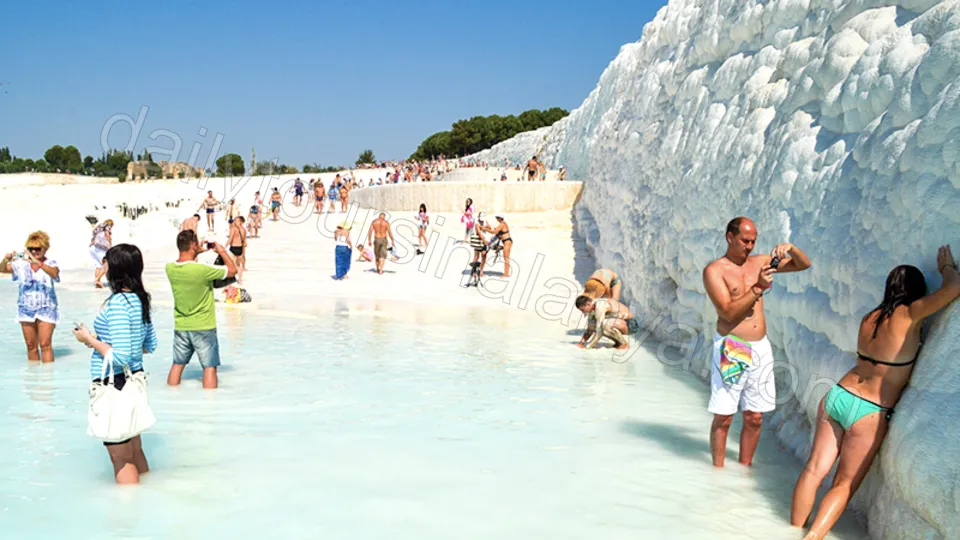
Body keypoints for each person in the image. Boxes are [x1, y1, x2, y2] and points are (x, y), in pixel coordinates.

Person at [790, 246, 959, 539]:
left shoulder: (870, 317)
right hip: (869, 410)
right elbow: (955, 287)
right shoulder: (911, 313)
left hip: (838, 395)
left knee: (814, 470)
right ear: (916, 291)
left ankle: (788, 531)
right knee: (843, 484)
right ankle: (811, 538)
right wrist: (946, 268)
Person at [702, 217, 812, 467]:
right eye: (744, 240)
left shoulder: (761, 262)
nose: (749, 246)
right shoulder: (714, 271)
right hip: (733, 347)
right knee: (725, 416)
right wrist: (758, 288)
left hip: (760, 347)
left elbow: (803, 265)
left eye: (753, 241)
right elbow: (727, 313)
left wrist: (791, 248)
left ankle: (744, 469)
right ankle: (717, 472)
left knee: (754, 417)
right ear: (730, 237)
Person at [72, 244, 156, 485]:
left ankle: (127, 516)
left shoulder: (118, 303)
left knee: (120, 457)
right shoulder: (139, 299)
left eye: (105, 262)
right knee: (134, 450)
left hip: (115, 384)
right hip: (133, 382)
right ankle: (146, 503)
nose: (103, 266)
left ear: (115, 268)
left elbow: (119, 356)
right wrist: (100, 342)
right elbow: (148, 344)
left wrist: (88, 339)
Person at [165, 230, 237, 390]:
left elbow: (187, 262)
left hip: (181, 325)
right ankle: (210, 405)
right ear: (192, 245)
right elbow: (232, 270)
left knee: (177, 364)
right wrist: (221, 250)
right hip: (204, 326)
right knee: (209, 367)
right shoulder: (203, 270)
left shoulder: (169, 268)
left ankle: (170, 394)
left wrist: (197, 250)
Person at [1, 231, 61, 363]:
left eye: (37, 249)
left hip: (47, 307)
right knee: (30, 346)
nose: (34, 252)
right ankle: (33, 380)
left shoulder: (51, 262)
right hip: (26, 308)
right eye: (31, 249)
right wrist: (6, 259)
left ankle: (47, 379)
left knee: (45, 345)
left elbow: (54, 274)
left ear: (45, 248)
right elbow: (2, 269)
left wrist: (36, 262)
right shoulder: (21, 264)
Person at [90, 219, 114, 288]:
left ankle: (98, 283)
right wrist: (110, 244)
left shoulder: (99, 227)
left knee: (98, 266)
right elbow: (107, 235)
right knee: (107, 264)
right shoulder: (107, 226)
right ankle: (97, 279)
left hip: (92, 247)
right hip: (99, 247)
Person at [489, 212, 513, 278]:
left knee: (506, 258)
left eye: (497, 218)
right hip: (506, 241)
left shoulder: (502, 224)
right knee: (506, 257)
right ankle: (506, 273)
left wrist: (485, 229)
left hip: (507, 241)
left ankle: (506, 274)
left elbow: (494, 232)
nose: (496, 219)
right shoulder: (503, 224)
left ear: (500, 218)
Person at [470, 211, 491, 277]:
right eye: (480, 218)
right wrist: (485, 241)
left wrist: (484, 227)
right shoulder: (477, 223)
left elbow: (489, 227)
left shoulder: (485, 221)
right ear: (478, 217)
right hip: (478, 241)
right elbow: (479, 233)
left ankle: (481, 271)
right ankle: (473, 272)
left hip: (484, 241)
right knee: (476, 257)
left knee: (484, 256)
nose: (481, 220)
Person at [227, 216, 247, 283]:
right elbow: (244, 242)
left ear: (240, 222)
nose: (234, 222)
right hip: (240, 248)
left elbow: (230, 239)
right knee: (238, 265)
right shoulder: (244, 230)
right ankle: (240, 279)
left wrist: (224, 246)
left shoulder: (233, 229)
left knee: (231, 264)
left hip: (233, 247)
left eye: (236, 220)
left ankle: (230, 279)